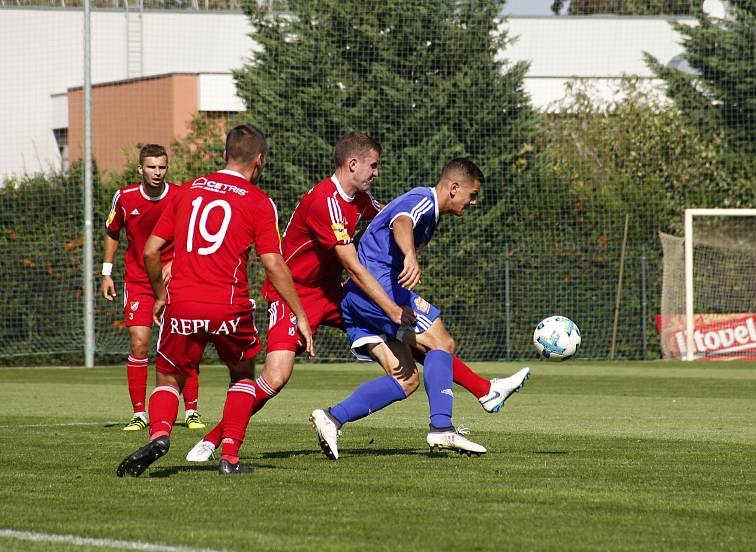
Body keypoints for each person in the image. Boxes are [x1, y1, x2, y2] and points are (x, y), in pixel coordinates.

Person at [186, 135, 528, 462]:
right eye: (373, 166)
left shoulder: (361, 199)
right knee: (276, 377)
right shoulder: (326, 201)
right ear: (353, 164)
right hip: (294, 293)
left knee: (410, 371)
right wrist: (393, 304)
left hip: (333, 291)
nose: (377, 173)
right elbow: (356, 261)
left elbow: (387, 218)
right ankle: (214, 439)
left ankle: (475, 394)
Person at [116, 124, 313, 477]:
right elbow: (273, 263)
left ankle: (160, 435)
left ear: (224, 154)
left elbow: (149, 251)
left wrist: (161, 294)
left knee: (168, 376)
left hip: (183, 302)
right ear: (259, 160)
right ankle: (230, 458)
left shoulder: (186, 191)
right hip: (229, 305)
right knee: (241, 374)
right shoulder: (258, 201)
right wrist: (299, 312)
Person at [310, 158, 508, 458]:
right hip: (376, 290)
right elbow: (401, 220)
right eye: (472, 194)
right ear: (454, 188)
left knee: (407, 380)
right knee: (442, 341)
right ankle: (443, 427)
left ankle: (332, 417)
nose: (474, 202)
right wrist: (410, 256)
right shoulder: (423, 199)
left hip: (358, 297)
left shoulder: (432, 216)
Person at [101, 144, 205, 432]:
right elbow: (112, 232)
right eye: (151, 167)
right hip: (137, 281)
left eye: (162, 167)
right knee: (139, 342)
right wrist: (106, 273)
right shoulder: (125, 197)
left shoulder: (181, 196)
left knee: (185, 342)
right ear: (140, 169)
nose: (157, 172)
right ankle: (139, 413)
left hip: (175, 280)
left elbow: (193, 236)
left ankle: (192, 411)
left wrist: (176, 264)